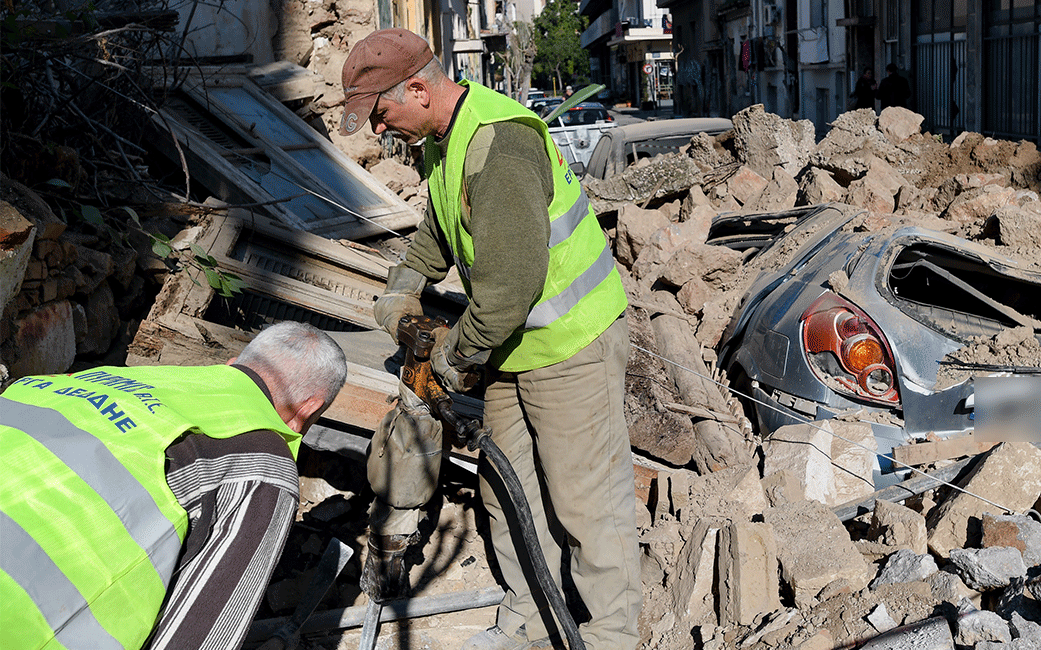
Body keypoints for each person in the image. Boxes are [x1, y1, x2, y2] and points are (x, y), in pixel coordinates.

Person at [338, 28, 640, 650]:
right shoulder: (441, 140)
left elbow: (510, 288)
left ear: (418, 89)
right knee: (507, 492)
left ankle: (610, 635)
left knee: (586, 504)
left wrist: (454, 355)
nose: (379, 130)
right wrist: (405, 284)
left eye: (381, 114)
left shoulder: (499, 147)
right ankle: (531, 618)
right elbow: (440, 228)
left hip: (570, 343)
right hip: (513, 347)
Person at [0, 321, 348, 650]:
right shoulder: (263, 464)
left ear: (231, 365)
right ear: (309, 409)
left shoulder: (98, 377)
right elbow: (203, 635)